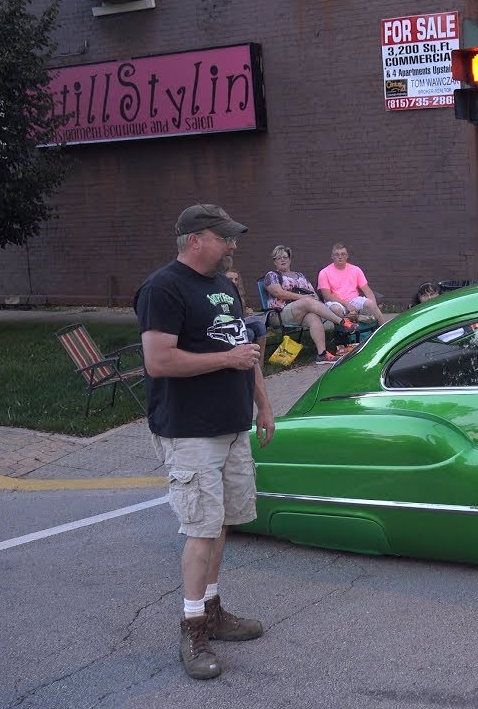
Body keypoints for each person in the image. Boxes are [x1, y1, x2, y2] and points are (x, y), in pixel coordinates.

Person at [133, 204, 273, 681]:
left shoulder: (223, 286)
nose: (232, 245)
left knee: (222, 522)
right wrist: (227, 361)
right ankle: (192, 627)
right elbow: (159, 361)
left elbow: (243, 347)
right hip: (190, 430)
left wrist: (263, 403)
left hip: (232, 425)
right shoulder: (163, 288)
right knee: (200, 527)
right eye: (224, 237)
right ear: (195, 239)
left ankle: (212, 610)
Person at [264, 244, 357, 364]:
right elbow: (279, 293)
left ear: (290, 259)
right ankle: (343, 322)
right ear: (274, 262)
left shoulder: (300, 275)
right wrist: (302, 298)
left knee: (313, 317)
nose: (282, 260)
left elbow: (315, 295)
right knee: (307, 301)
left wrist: (308, 300)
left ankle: (322, 355)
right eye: (278, 258)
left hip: (300, 312)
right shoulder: (272, 275)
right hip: (280, 314)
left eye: (285, 257)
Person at [317, 244, 386, 326]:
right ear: (332, 256)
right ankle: (351, 330)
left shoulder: (356, 270)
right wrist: (346, 304)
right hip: (336, 302)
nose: (340, 257)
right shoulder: (324, 272)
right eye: (337, 254)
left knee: (371, 304)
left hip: (354, 300)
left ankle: (384, 330)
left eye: (343, 254)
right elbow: (327, 296)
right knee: (336, 309)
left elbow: (367, 290)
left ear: (347, 256)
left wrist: (373, 306)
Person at [220, 255, 266, 343]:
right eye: (230, 279)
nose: (234, 281)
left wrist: (247, 312)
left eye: (236, 279)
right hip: (227, 325)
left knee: (260, 326)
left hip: (240, 323)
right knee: (249, 333)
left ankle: (260, 357)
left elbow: (240, 314)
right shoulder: (220, 294)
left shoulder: (238, 294)